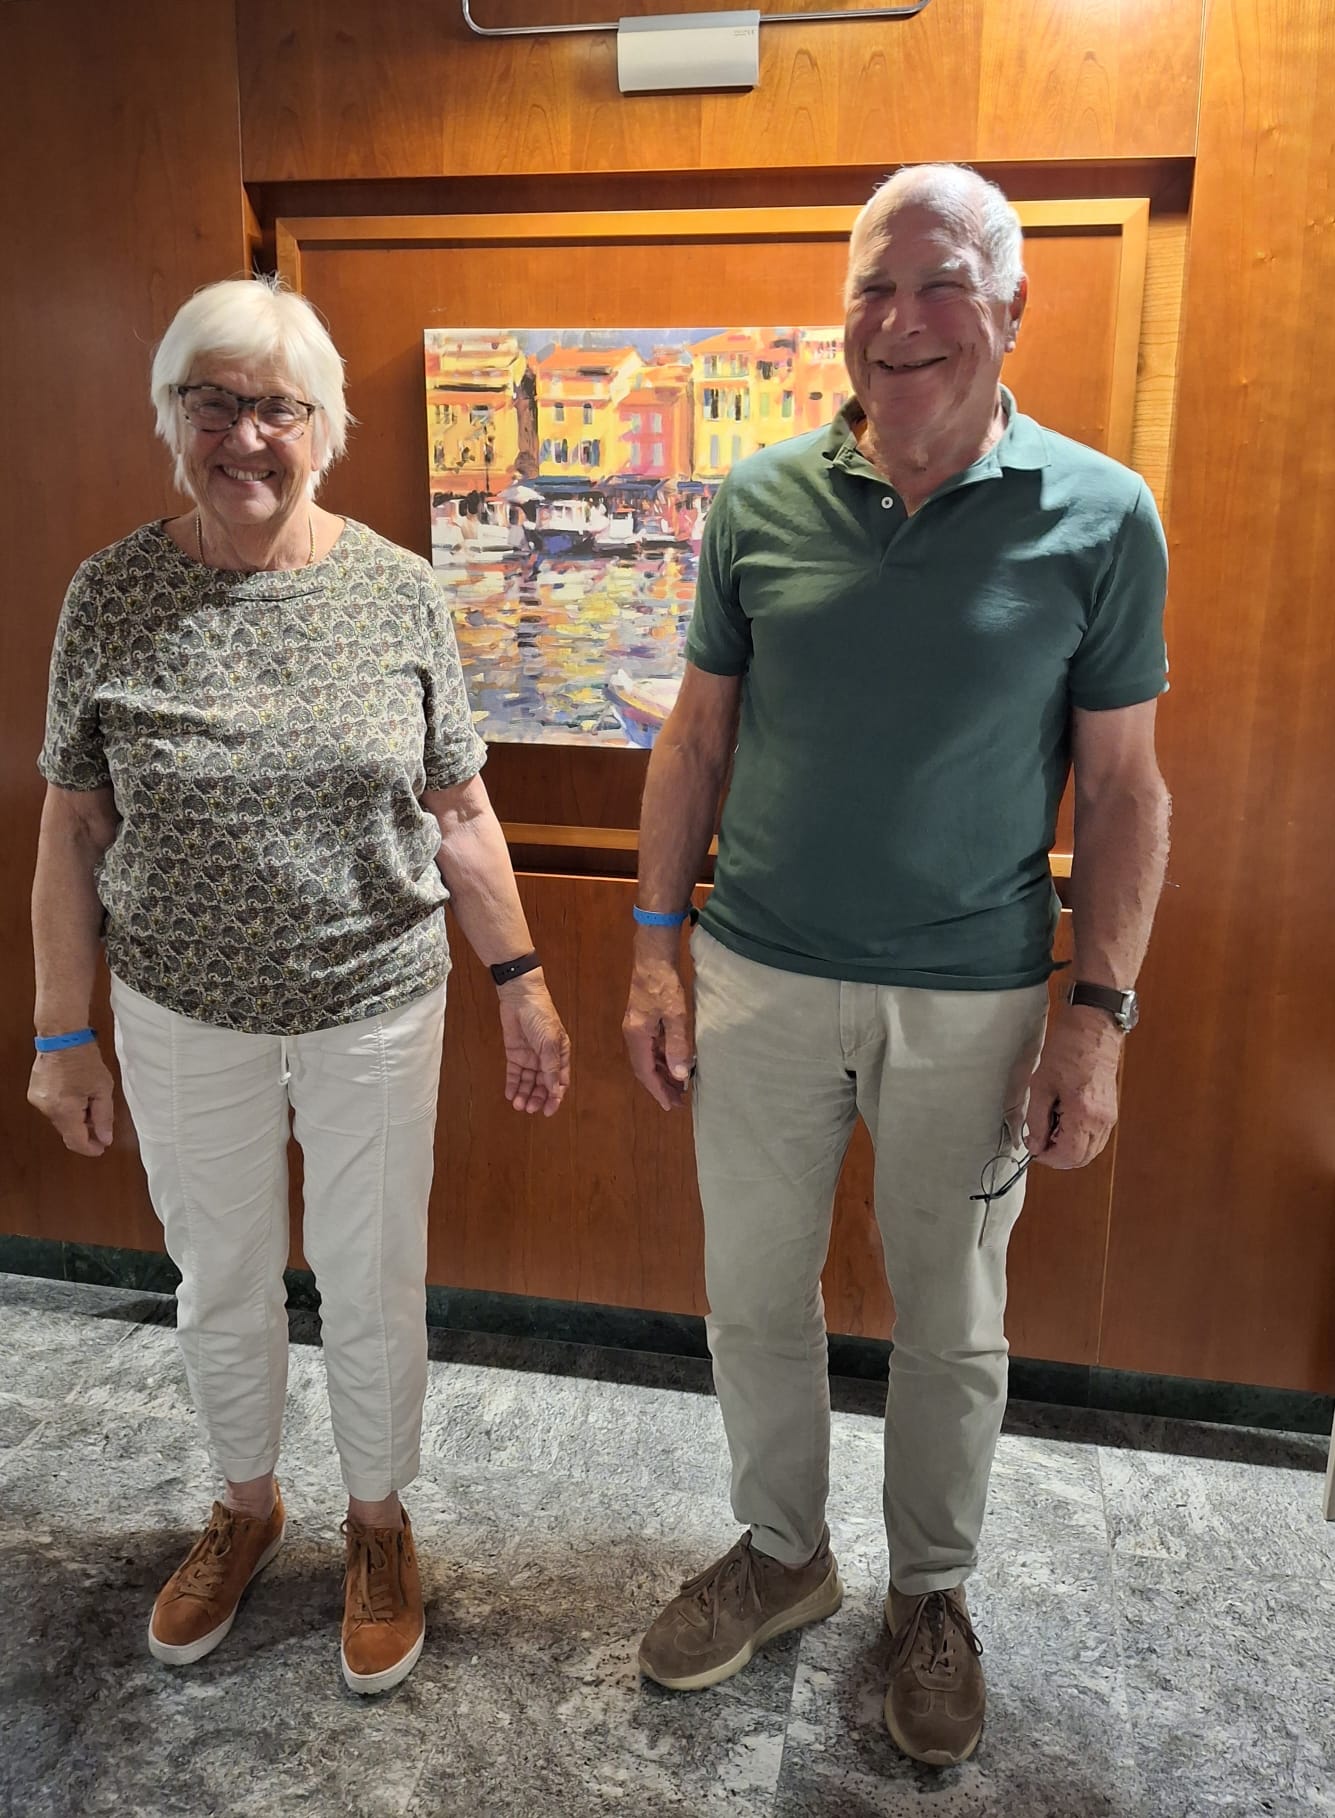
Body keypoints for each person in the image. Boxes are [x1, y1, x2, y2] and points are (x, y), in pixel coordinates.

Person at [622, 163, 1169, 1766]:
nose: (901, 320)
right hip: (761, 976)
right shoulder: (758, 500)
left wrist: (1096, 1019)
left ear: (1011, 310)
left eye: (940, 285)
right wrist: (654, 952)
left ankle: (931, 1593)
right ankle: (783, 1552)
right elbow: (696, 739)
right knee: (750, 1291)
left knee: (951, 1315)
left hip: (977, 996)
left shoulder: (1101, 515)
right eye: (873, 285)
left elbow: (1126, 791)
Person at [29, 276, 571, 1695]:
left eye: (277, 406)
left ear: (323, 425)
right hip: (176, 1005)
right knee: (217, 1272)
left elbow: (461, 812)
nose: (246, 437)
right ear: (173, 421)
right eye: (213, 403)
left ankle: (379, 1523)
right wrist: (61, 1033)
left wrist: (521, 982)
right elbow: (72, 829)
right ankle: (247, 1501)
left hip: (373, 1002)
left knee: (372, 1272)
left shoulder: (397, 590)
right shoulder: (111, 594)